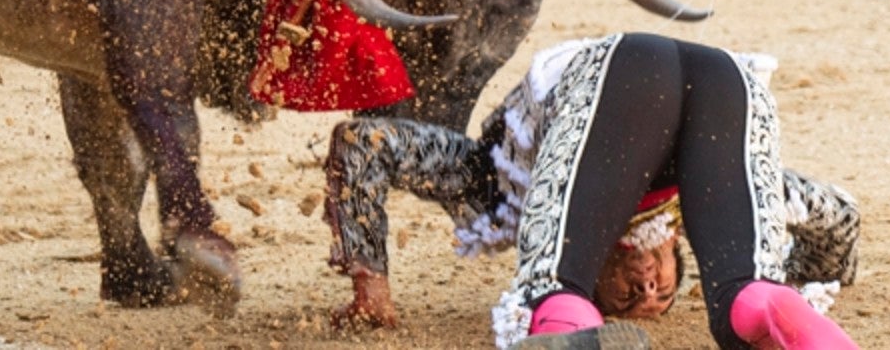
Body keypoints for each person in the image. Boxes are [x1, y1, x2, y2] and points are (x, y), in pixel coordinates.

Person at [322, 32, 861, 349]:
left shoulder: (495, 187)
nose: (647, 287)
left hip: (625, 72)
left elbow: (364, 141)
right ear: (678, 246)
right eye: (661, 292)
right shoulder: (693, 204)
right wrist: (796, 276)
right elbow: (840, 219)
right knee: (749, 288)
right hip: (730, 79)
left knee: (556, 282)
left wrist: (370, 289)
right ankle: (768, 304)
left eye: (626, 295)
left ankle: (572, 314)